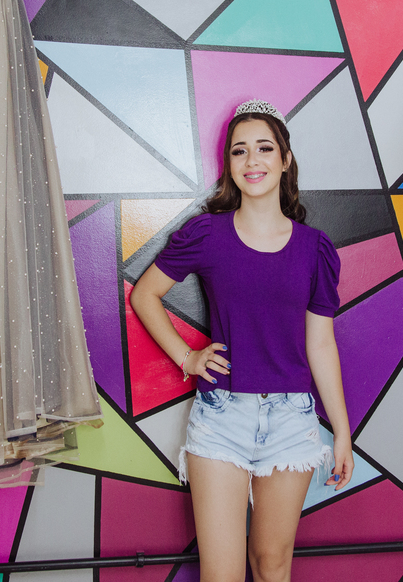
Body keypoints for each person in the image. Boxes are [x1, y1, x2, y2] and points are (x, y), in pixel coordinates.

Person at [130, 99, 354, 582]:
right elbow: (144, 294)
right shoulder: (207, 234)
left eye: (264, 148)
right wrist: (187, 357)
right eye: (239, 151)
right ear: (229, 165)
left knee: (272, 565)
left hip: (292, 419)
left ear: (285, 159)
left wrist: (341, 431)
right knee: (222, 576)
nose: (252, 160)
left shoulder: (314, 249)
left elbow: (321, 344)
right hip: (221, 419)